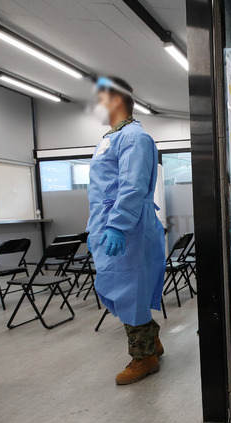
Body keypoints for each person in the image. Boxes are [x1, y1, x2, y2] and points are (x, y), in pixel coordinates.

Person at [86, 77, 166, 385]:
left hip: (127, 228)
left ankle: (143, 357)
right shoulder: (110, 137)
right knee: (123, 290)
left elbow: (132, 186)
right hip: (107, 226)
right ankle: (152, 341)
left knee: (129, 291)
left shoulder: (134, 137)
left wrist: (117, 225)